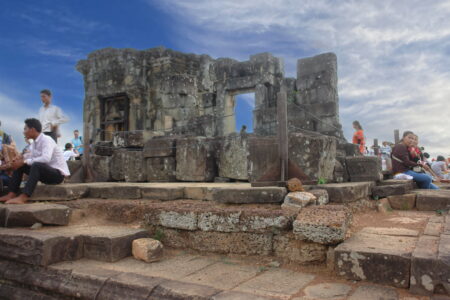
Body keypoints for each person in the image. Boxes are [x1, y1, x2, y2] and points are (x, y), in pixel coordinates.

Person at [0, 118, 70, 204]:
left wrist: (24, 161)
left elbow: (45, 158)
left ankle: (24, 196)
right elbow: (28, 156)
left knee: (36, 165)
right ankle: (11, 193)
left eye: (25, 129)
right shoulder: (34, 144)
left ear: (32, 130)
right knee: (20, 165)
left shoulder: (46, 140)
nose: (23, 132)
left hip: (57, 175)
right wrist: (19, 160)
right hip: (45, 174)